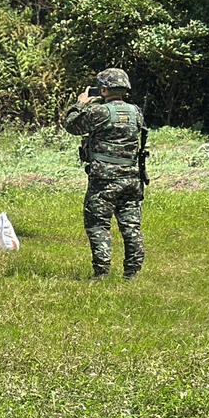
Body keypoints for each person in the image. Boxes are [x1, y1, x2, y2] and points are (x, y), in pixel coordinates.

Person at [62, 68, 149, 280]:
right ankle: (132, 274)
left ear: (104, 89)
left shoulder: (99, 112)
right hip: (131, 179)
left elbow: (71, 125)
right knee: (131, 227)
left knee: (98, 225)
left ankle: (101, 273)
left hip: (104, 181)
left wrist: (80, 103)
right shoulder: (135, 111)